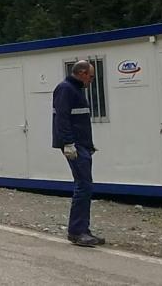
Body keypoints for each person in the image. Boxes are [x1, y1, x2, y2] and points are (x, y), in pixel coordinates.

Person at [52, 60, 104, 247]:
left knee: (85, 186)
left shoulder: (75, 89)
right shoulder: (66, 89)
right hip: (74, 145)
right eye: (90, 76)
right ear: (81, 73)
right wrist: (68, 143)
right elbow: (63, 118)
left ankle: (83, 229)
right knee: (83, 185)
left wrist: (88, 144)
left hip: (81, 144)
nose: (91, 80)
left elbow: (79, 120)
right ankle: (76, 231)